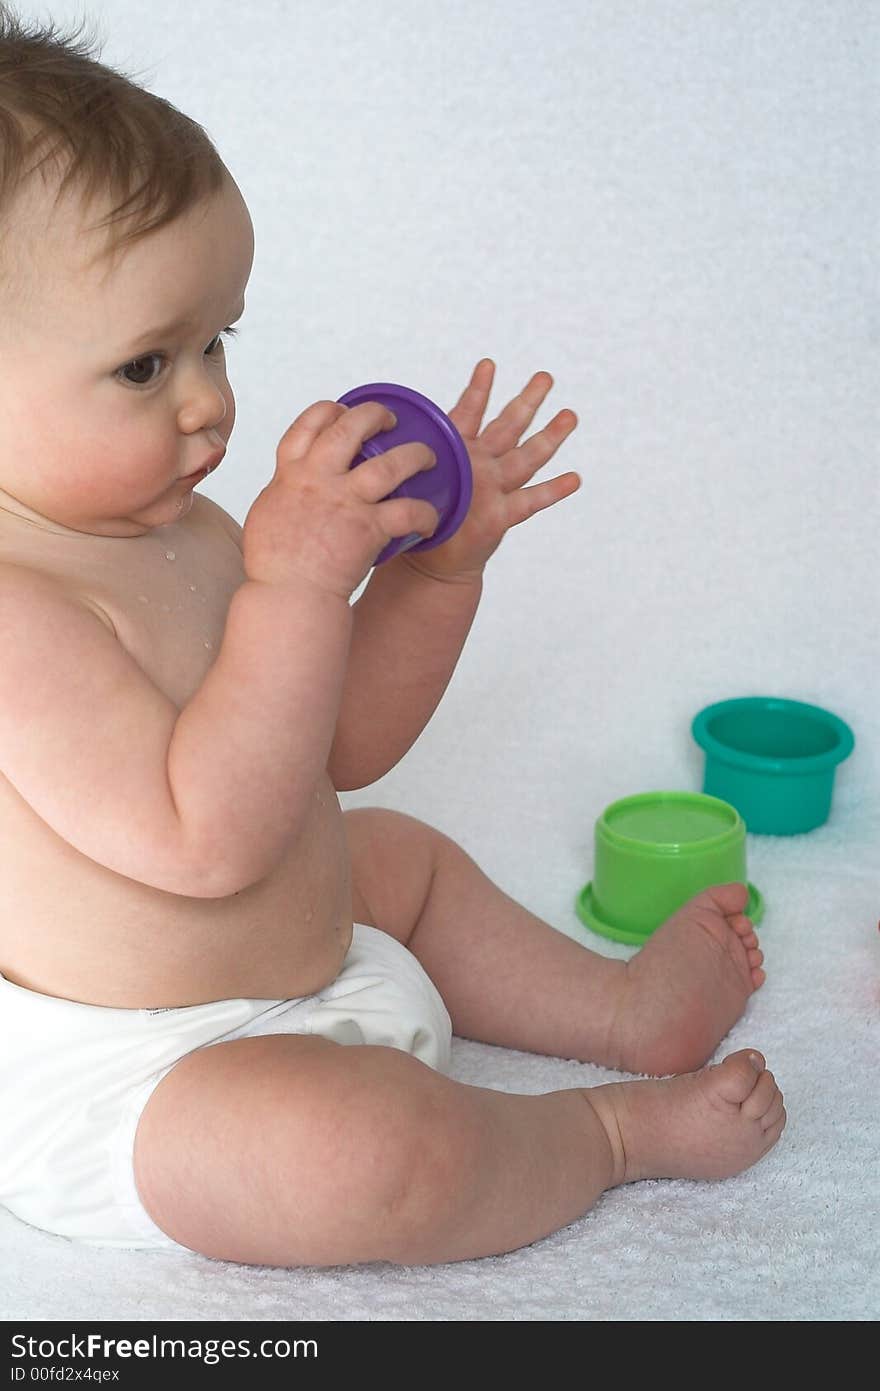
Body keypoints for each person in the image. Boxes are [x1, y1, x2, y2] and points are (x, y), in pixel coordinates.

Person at [0, 9, 784, 1267]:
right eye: (146, 366)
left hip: (313, 958)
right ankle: (603, 1133)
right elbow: (206, 841)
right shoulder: (15, 612)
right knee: (352, 1157)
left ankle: (620, 1007)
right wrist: (299, 589)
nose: (210, 401)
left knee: (399, 853)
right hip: (149, 1079)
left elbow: (338, 746)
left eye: (218, 339)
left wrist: (431, 578)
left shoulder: (190, 532)